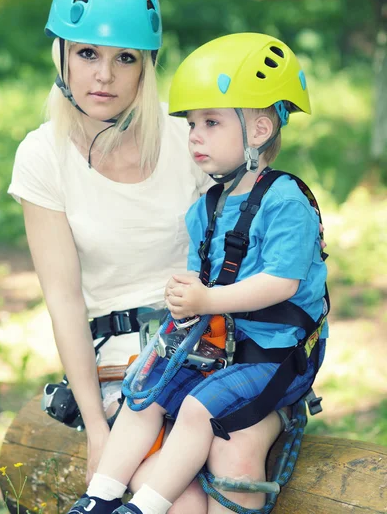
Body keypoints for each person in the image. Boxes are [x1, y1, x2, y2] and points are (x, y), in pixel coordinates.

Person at [8, 0, 294, 514]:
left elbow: (256, 226)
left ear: (148, 66)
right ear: (61, 55)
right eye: (88, 53)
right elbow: (64, 299)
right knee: (178, 498)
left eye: (126, 59)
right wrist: (96, 426)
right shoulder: (43, 156)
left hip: (218, 345)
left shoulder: (190, 133)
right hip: (124, 365)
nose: (105, 76)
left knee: (236, 474)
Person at [67, 32, 329, 514]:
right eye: (191, 125)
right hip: (224, 348)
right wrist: (187, 298)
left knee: (196, 408)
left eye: (211, 122)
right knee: (148, 394)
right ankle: (99, 497)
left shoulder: (287, 203)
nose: (195, 137)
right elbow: (202, 279)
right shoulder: (206, 208)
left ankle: (141, 506)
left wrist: (207, 301)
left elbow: (282, 284)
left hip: (277, 355)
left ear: (258, 130)